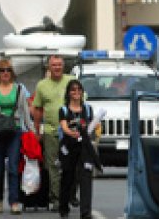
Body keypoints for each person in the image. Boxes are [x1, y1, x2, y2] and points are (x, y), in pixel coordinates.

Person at [0, 59, 35, 214]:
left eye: (8, 70)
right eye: (2, 70)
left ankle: (14, 201)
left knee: (13, 166)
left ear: (12, 73)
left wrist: (31, 130)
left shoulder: (19, 89)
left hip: (14, 131)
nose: (5, 73)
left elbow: (25, 111)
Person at [32, 55, 75, 211]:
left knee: (71, 165)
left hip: (71, 131)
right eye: (54, 65)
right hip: (51, 131)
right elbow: (37, 108)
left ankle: (70, 194)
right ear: (48, 68)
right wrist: (37, 129)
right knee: (53, 166)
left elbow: (81, 102)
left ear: (63, 66)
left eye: (59, 65)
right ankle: (57, 198)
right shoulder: (42, 85)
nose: (57, 67)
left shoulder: (71, 82)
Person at [59, 79, 98, 219]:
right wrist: (72, 133)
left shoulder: (87, 109)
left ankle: (85, 212)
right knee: (68, 177)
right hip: (69, 147)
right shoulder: (64, 110)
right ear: (69, 93)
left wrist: (92, 133)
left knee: (86, 177)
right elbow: (64, 127)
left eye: (79, 90)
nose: (76, 92)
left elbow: (91, 126)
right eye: (73, 90)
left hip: (84, 147)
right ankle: (63, 208)